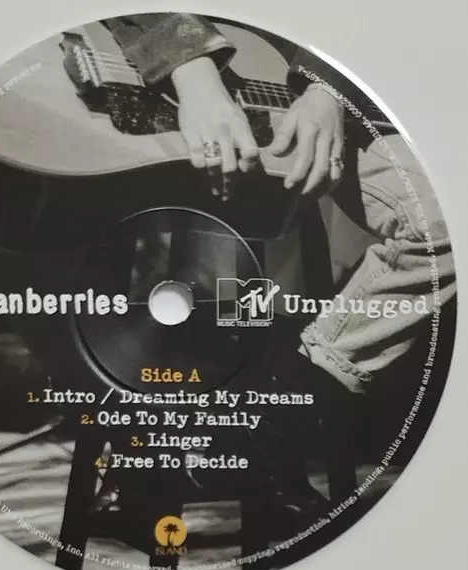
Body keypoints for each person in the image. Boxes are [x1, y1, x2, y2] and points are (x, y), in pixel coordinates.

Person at [81, 14, 456, 505]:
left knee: (449, 219)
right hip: (149, 59)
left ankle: (276, 416)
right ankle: (147, 454)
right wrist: (193, 74)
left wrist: (327, 87)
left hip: (309, 86)